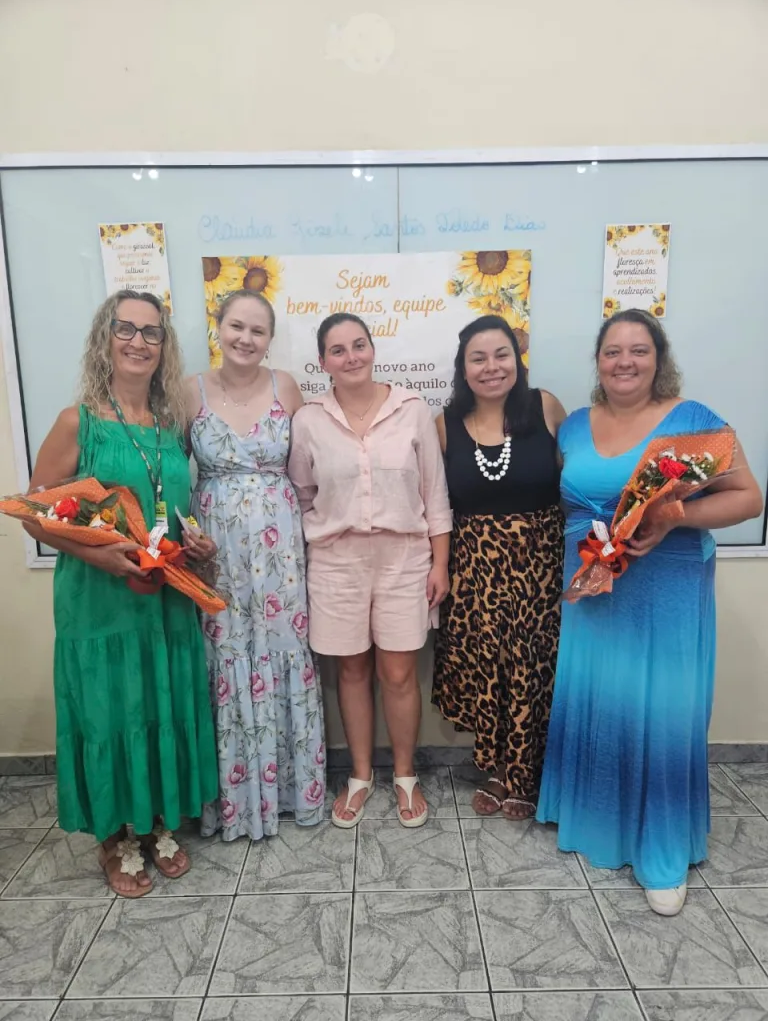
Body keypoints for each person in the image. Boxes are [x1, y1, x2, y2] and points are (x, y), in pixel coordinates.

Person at [536, 309, 763, 916]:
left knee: (661, 710)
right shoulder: (574, 426)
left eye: (639, 350)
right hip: (592, 588)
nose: (625, 362)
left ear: (659, 357)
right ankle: (596, 821)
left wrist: (673, 517)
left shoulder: (693, 422)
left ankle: (661, 849)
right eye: (612, 351)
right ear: (598, 361)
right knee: (600, 698)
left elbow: (749, 498)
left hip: (667, 589)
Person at [24, 290, 219, 897]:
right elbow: (35, 513)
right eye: (125, 329)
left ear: (165, 346)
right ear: (104, 338)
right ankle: (114, 837)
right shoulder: (77, 422)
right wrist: (97, 555)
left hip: (164, 597)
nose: (138, 341)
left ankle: (157, 820)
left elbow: (170, 505)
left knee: (159, 704)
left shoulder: (171, 425)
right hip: (99, 600)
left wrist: (195, 544)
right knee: (110, 711)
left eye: (151, 332)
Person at [288, 313, 452, 829]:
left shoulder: (411, 409)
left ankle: (405, 774)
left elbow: (434, 493)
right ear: (323, 362)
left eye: (359, 345)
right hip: (337, 562)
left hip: (405, 559)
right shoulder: (309, 420)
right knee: (352, 671)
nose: (351, 357)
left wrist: (441, 563)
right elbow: (302, 492)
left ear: (373, 349)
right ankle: (360, 776)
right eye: (338, 350)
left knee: (399, 673)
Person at [188, 289, 325, 841]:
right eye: (236, 326)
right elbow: (169, 473)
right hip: (216, 552)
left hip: (280, 552)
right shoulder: (189, 390)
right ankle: (233, 799)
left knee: (284, 649)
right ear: (218, 328)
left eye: (258, 330)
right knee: (225, 653)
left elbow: (308, 470)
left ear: (269, 339)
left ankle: (290, 791)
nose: (245, 338)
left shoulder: (285, 386)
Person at [432, 315, 565, 820]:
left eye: (501, 354)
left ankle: (528, 772)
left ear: (517, 359)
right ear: (463, 368)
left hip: (541, 568)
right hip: (476, 571)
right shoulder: (444, 424)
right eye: (478, 358)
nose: (491, 367)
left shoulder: (545, 407)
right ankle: (496, 766)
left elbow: (576, 485)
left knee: (533, 667)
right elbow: (435, 503)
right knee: (489, 668)